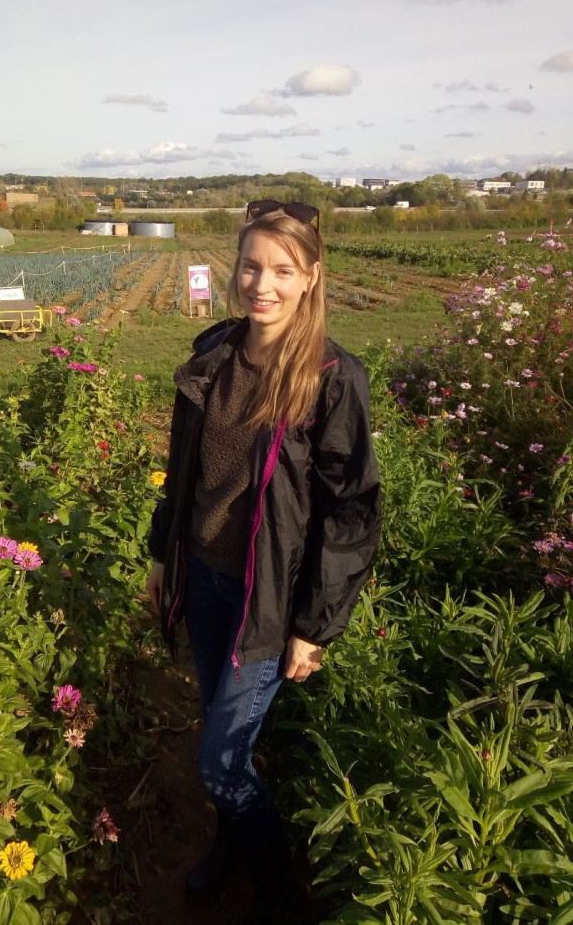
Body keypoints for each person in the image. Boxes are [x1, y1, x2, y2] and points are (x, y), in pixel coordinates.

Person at [146, 200, 382, 924]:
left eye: (283, 269)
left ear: (311, 276)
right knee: (223, 739)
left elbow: (352, 511)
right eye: (251, 264)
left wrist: (314, 624)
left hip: (268, 603)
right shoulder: (215, 349)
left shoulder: (332, 378)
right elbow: (184, 468)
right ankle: (228, 847)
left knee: (219, 758)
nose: (263, 283)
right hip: (206, 575)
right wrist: (163, 553)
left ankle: (279, 885)